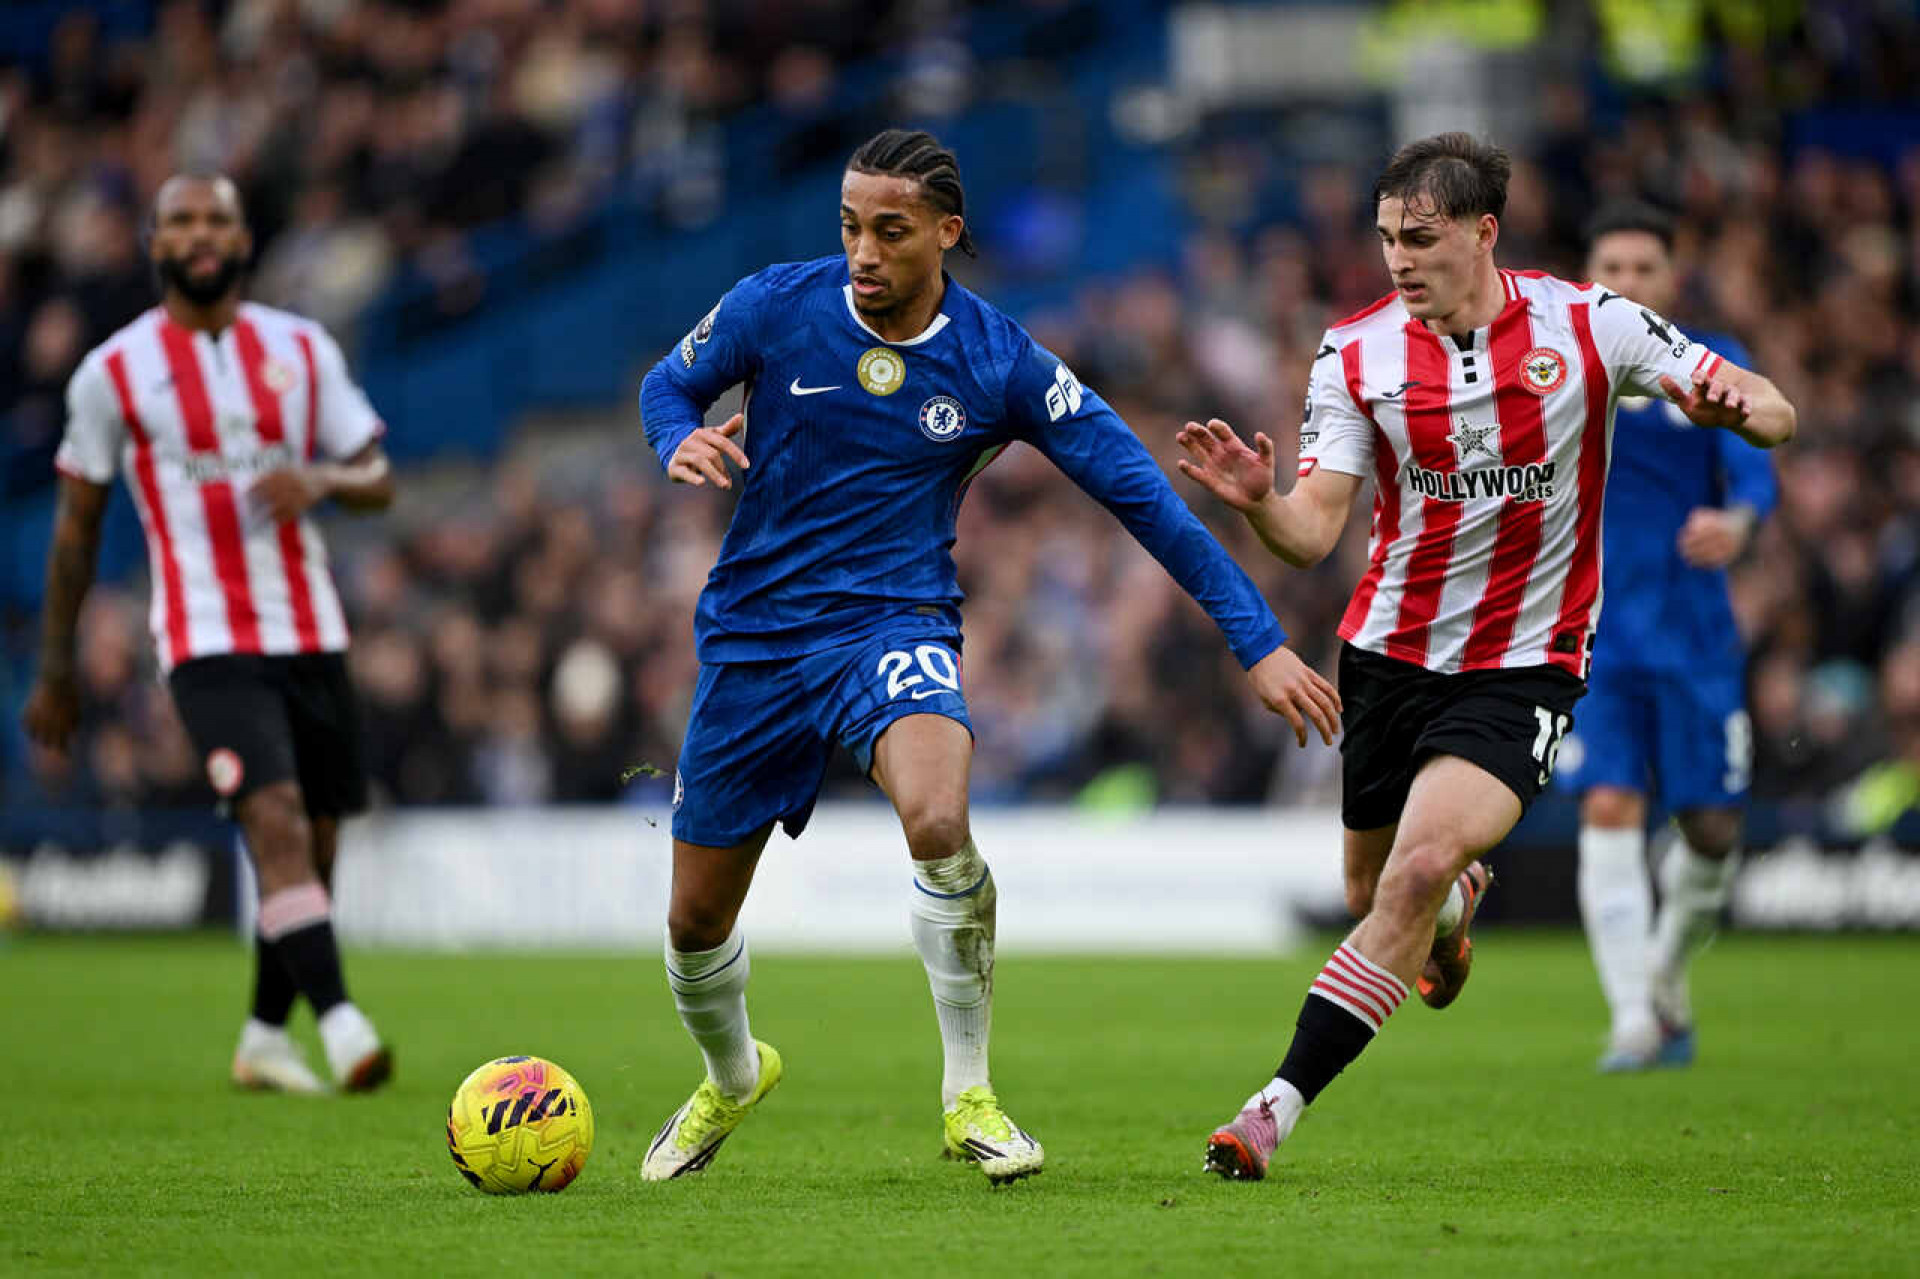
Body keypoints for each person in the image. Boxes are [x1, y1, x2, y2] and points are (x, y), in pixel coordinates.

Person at [636, 128, 1340, 1184]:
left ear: (946, 233)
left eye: (889, 230)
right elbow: (665, 385)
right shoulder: (775, 305)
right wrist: (675, 438)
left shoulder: (1000, 361)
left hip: (894, 624)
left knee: (937, 815)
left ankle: (969, 1092)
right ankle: (732, 1073)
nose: (862, 252)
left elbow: (1145, 499)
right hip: (755, 642)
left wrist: (1260, 642)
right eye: (849, 226)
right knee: (695, 924)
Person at [1175, 133, 1794, 1181]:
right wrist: (1258, 507)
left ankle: (1271, 1108)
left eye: (1420, 239)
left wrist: (1747, 410)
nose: (1399, 261)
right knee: (1379, 888)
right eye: (1385, 241)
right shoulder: (1355, 352)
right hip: (1387, 655)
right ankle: (1458, 910)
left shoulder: (1590, 323)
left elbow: (1766, 403)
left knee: (1414, 870)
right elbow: (1316, 530)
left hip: (1527, 661)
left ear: (1482, 231)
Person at [21, 175, 396, 1095]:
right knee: (269, 816)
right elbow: (75, 531)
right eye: (182, 220)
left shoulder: (301, 348)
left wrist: (323, 482)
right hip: (203, 639)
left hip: (312, 627)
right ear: (154, 242)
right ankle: (344, 1023)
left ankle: (266, 1033)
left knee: (315, 842)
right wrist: (57, 667)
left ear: (242, 238)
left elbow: (378, 473)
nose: (200, 234)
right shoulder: (111, 373)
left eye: (216, 219)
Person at [1560, 202, 1776, 1071]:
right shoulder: (1561, 369)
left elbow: (1755, 468)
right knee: (1608, 805)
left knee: (1713, 829)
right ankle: (1630, 1019)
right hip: (1595, 637)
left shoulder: (1710, 368)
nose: (1628, 283)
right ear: (1589, 277)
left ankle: (1665, 973)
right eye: (1612, 267)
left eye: (1645, 269)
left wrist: (1738, 523)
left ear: (1671, 279)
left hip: (1694, 637)